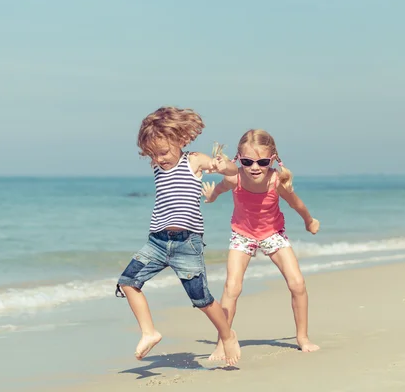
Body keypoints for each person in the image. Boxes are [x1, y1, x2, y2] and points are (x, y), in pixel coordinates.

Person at [116, 106, 240, 366]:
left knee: (202, 299)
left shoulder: (192, 160)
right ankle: (149, 332)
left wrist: (222, 165)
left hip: (187, 243)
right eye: (153, 154)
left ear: (180, 141)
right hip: (157, 242)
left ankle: (227, 335)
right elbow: (155, 138)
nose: (159, 159)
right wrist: (154, 143)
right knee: (128, 282)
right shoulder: (159, 165)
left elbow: (231, 172)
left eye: (163, 152)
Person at [202, 129, 320, 361]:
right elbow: (219, 188)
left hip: (272, 233)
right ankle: (222, 342)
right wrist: (211, 197)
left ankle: (303, 337)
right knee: (232, 288)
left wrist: (309, 221)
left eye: (262, 161)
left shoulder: (277, 181)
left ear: (273, 159)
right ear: (239, 159)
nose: (255, 167)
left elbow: (297, 205)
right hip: (242, 234)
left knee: (297, 283)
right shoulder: (234, 178)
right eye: (247, 161)